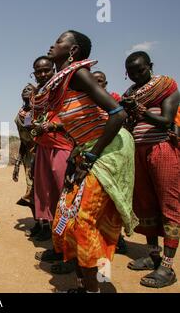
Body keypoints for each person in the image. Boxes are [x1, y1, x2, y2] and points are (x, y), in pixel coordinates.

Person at [35, 31, 138, 293]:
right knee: (66, 217)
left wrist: (91, 155)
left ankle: (93, 289)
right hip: (87, 150)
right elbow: (77, 123)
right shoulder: (63, 83)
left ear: (73, 51)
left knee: (84, 220)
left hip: (109, 150)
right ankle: (86, 284)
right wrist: (78, 152)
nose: (52, 44)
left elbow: (117, 114)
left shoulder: (80, 74)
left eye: (59, 41)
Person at [121, 51, 179, 288]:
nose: (136, 75)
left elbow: (166, 120)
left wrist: (142, 111)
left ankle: (167, 266)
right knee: (145, 204)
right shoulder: (130, 93)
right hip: (139, 151)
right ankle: (153, 254)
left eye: (140, 70)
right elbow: (128, 123)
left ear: (150, 66)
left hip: (162, 149)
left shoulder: (167, 87)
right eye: (131, 73)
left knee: (168, 204)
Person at [29, 56, 73, 242]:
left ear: (54, 70)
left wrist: (53, 126)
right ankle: (57, 241)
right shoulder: (38, 94)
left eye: (47, 70)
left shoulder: (64, 88)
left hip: (61, 146)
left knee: (64, 192)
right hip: (43, 146)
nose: (43, 74)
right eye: (38, 71)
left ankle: (69, 242)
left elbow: (73, 115)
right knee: (45, 192)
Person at [92, 70, 128, 255]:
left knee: (114, 196)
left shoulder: (114, 99)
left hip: (113, 154)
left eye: (101, 82)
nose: (98, 85)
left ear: (106, 84)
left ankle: (117, 237)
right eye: (94, 81)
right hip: (94, 153)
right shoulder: (88, 102)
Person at [13, 83, 37, 224]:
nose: (25, 90)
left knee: (40, 190)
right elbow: (24, 139)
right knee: (30, 189)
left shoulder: (39, 111)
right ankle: (38, 223)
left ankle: (47, 226)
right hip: (28, 156)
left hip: (41, 154)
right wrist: (17, 162)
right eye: (24, 89)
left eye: (29, 89)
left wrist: (36, 157)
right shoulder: (22, 114)